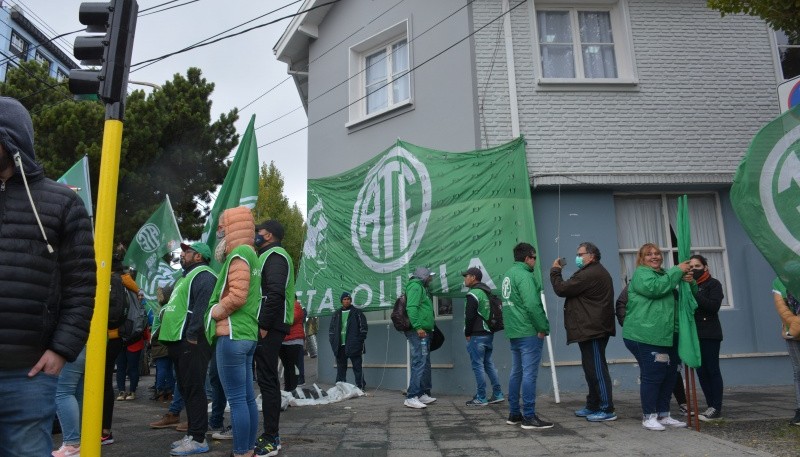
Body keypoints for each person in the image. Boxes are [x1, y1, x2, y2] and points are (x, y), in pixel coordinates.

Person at [0, 96, 96, 456]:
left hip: (28, 374)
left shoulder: (62, 202)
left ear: (12, 141)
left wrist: (61, 349)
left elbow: (82, 286)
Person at [207, 207, 262, 457]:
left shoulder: (239, 254)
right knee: (247, 399)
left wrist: (215, 311)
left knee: (238, 399)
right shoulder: (252, 254)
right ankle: (247, 449)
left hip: (232, 333)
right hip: (247, 334)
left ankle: (241, 451)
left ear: (231, 228)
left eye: (221, 227)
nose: (219, 232)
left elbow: (237, 296)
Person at [622, 243, 692, 431]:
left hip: (667, 335)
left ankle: (663, 414)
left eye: (657, 253)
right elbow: (655, 289)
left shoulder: (665, 275)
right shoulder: (642, 274)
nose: (654, 257)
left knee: (669, 375)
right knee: (653, 375)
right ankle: (649, 416)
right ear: (642, 259)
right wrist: (677, 270)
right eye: (649, 254)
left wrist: (687, 280)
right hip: (645, 335)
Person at [160, 241, 217, 455]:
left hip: (191, 341)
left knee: (194, 389)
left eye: (188, 252)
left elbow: (202, 308)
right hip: (179, 340)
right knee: (185, 388)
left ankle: (199, 438)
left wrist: (193, 334)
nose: (183, 255)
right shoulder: (186, 277)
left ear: (199, 257)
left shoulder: (204, 275)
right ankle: (192, 433)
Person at [550, 242, 616, 422]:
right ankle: (593, 404)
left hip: (593, 329)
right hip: (589, 328)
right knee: (590, 369)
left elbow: (561, 288)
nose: (577, 257)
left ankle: (606, 408)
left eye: (580, 254)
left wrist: (555, 271)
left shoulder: (591, 273)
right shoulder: (590, 272)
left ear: (591, 256)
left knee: (597, 369)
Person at [254, 219, 296, 456]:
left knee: (268, 380)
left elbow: (275, 292)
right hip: (268, 325)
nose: (255, 235)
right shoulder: (265, 255)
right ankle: (267, 433)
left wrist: (263, 325)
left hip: (270, 326)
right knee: (265, 379)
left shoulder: (276, 256)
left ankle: (272, 437)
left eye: (258, 232)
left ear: (268, 235)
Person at [501, 243, 553, 430]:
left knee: (517, 372)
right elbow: (532, 304)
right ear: (527, 258)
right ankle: (529, 416)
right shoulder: (525, 275)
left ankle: (514, 413)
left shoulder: (508, 274)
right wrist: (543, 327)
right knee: (529, 374)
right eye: (534, 258)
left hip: (514, 331)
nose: (535, 261)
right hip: (528, 330)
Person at [102, 254, 139, 445]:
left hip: (109, 337)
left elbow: (113, 313)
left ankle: (104, 431)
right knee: (106, 382)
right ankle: (103, 430)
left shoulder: (112, 281)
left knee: (104, 383)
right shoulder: (124, 281)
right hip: (116, 337)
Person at [687, 254, 725, 421]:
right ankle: (710, 405)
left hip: (709, 333)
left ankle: (716, 406)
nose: (694, 269)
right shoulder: (687, 285)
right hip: (694, 333)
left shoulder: (713, 284)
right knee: (701, 371)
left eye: (697, 266)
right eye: (691, 267)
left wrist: (694, 291)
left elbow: (713, 306)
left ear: (705, 267)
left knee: (712, 369)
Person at [462, 267, 504, 406]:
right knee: (488, 364)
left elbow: (470, 316)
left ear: (473, 277)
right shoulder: (486, 292)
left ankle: (481, 397)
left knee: (478, 366)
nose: (465, 279)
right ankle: (497, 394)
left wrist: (467, 333)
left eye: (466, 276)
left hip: (476, 335)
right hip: (488, 334)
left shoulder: (473, 294)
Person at [403, 267, 438, 409]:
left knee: (424, 362)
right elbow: (411, 308)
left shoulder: (421, 288)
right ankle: (411, 396)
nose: (431, 279)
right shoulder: (415, 287)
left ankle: (422, 393)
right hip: (419, 332)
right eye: (429, 276)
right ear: (423, 276)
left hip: (424, 331)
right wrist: (418, 327)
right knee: (419, 361)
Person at [772, 277, 800, 426]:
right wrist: (791, 328)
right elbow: (782, 308)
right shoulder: (779, 281)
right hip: (791, 333)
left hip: (792, 331)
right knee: (798, 371)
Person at [329, 292, 368, 389]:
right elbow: (331, 331)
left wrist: (359, 341)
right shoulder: (336, 314)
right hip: (340, 346)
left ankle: (361, 386)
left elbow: (363, 328)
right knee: (341, 369)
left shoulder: (357, 312)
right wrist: (333, 342)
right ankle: (341, 387)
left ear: (351, 300)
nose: (346, 301)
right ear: (341, 301)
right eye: (344, 299)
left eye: (348, 299)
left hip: (354, 345)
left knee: (357, 368)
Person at [53, 347, 87, 457]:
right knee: (77, 393)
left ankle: (72, 444)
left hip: (70, 346)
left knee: (62, 392)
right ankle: (78, 442)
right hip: (85, 345)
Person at [280, 300, 306, 391]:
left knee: (292, 365)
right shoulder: (282, 305)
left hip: (294, 341)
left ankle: (293, 388)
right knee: (287, 366)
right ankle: (288, 388)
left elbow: (292, 319)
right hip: (283, 341)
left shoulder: (296, 305)